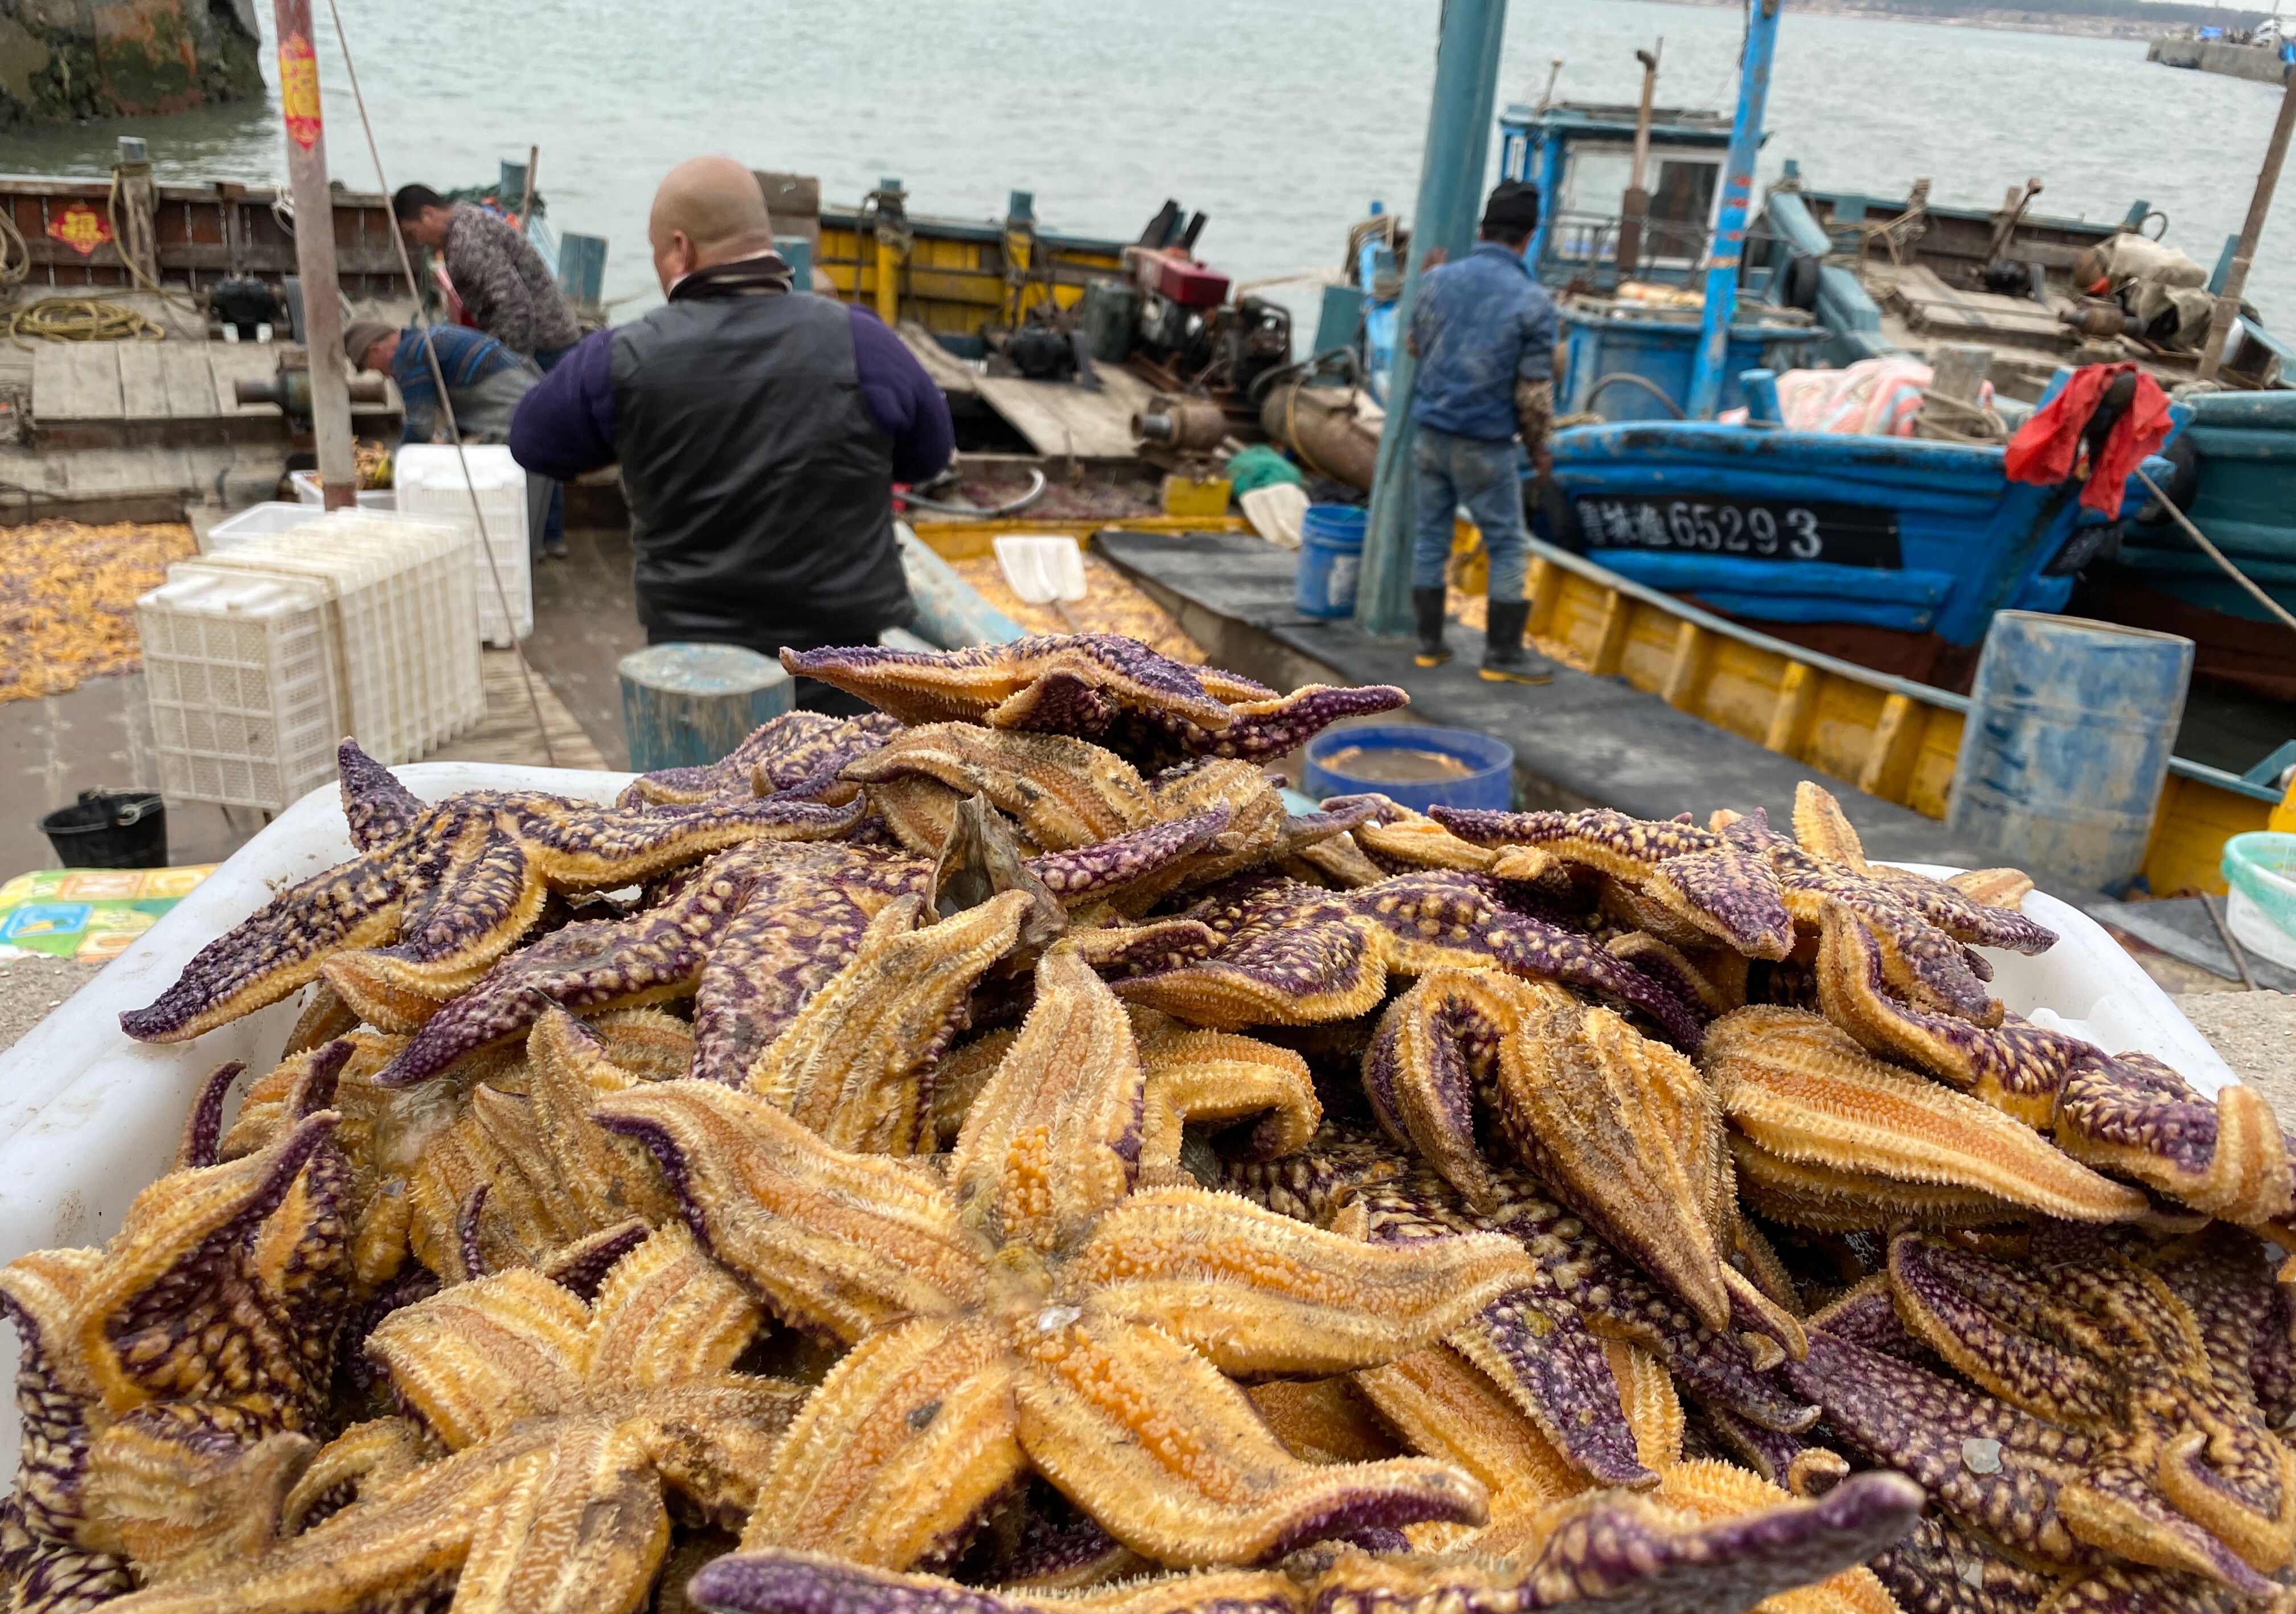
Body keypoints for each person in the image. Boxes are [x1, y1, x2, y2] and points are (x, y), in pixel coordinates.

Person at [509, 155, 953, 714]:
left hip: (696, 672)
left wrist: (636, 436)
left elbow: (533, 440)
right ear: (761, 241)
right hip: (843, 668)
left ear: (680, 249)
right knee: (844, 795)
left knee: (700, 799)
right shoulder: (862, 340)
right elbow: (930, 455)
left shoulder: (623, 357)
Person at [1405, 180, 1560, 683]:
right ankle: (1502, 655)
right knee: (1508, 546)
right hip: (1485, 445)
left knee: (1431, 537)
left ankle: (1429, 645)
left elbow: (1414, 347)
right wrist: (1540, 449)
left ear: (1482, 230)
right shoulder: (1533, 302)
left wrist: (1432, 282)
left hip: (1429, 435)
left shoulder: (1435, 280)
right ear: (1529, 237)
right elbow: (1533, 396)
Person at [345, 320, 559, 559]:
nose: (382, 374)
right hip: (539, 405)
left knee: (515, 510)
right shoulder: (428, 338)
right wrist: (447, 437)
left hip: (519, 419)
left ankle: (515, 565)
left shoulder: (408, 356)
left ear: (375, 350)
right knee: (531, 505)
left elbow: (420, 424)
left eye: (371, 367)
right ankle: (532, 554)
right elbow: (461, 398)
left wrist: (396, 461)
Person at [393, 184, 581, 371]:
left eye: (414, 233)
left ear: (428, 214)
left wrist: (511, 370)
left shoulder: (468, 240)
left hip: (543, 346)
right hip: (535, 340)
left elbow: (515, 305)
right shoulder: (464, 223)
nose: (418, 242)